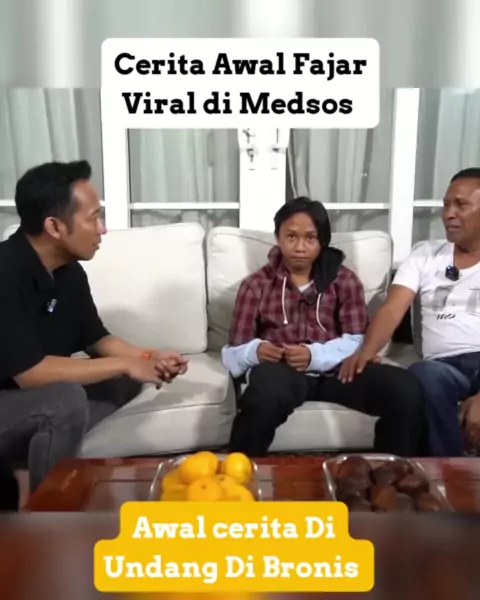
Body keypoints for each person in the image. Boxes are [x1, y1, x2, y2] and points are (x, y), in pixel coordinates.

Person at [0, 161, 188, 493]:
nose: (102, 229)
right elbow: (30, 373)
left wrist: (149, 357)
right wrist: (126, 363)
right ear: (55, 226)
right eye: (93, 218)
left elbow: (96, 338)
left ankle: (43, 444)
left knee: (122, 379)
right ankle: (49, 511)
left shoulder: (68, 271)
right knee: (66, 400)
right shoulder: (6, 272)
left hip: (27, 399)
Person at [222, 197, 425, 457]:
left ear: (322, 241)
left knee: (405, 388)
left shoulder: (344, 280)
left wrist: (313, 356)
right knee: (264, 393)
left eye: (310, 238)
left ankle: (391, 471)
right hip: (282, 371)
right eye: (291, 237)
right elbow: (232, 353)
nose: (300, 247)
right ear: (278, 238)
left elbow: (359, 340)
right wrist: (255, 351)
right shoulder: (256, 285)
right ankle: (238, 470)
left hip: (339, 371)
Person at [340, 167, 480, 457]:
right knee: (423, 374)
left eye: (461, 205)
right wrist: (367, 350)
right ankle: (449, 470)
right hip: (443, 366)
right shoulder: (425, 255)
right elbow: (392, 309)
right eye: (446, 205)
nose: (449, 214)